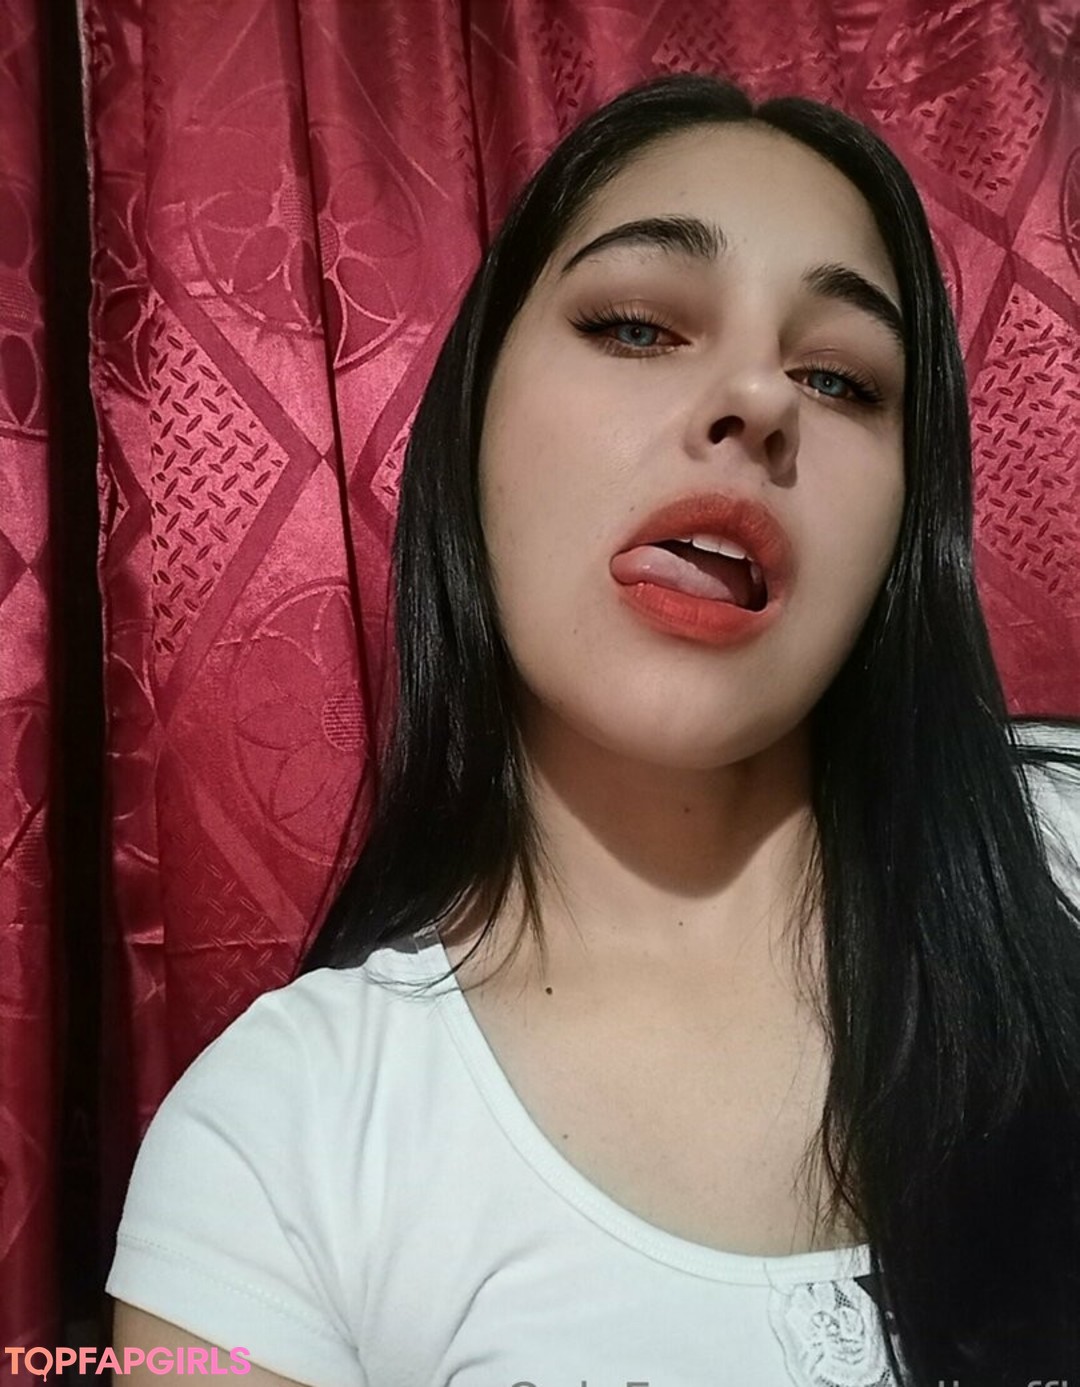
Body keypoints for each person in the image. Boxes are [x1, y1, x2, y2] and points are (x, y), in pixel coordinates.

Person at [107, 72, 1080, 1385]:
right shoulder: (275, 1153)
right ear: (472, 423)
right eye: (634, 325)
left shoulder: (1063, 851)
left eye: (842, 379)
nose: (761, 400)